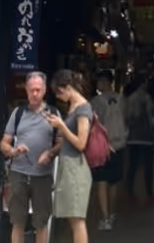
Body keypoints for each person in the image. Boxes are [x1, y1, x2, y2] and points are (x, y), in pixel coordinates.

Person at [0, 71, 60, 243]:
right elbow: (3, 143)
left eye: (38, 90)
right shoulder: (18, 113)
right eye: (31, 90)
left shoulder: (53, 113)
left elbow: (61, 142)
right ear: (26, 90)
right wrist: (13, 151)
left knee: (41, 222)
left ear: (44, 90)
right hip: (18, 173)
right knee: (17, 221)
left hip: (42, 175)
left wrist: (50, 153)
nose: (35, 94)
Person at [45, 70, 93, 243]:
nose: (59, 97)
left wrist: (61, 126)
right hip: (68, 165)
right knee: (72, 218)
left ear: (68, 88)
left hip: (76, 167)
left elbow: (81, 143)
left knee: (77, 219)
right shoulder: (74, 107)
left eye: (59, 92)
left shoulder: (83, 108)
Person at [91, 70, 127, 231]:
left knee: (101, 182)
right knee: (113, 183)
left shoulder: (96, 102)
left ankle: (105, 219)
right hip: (119, 146)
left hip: (102, 147)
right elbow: (127, 120)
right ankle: (112, 214)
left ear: (103, 82)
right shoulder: (122, 99)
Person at [124, 76, 154, 206]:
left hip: (133, 137)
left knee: (132, 166)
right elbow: (151, 118)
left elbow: (126, 119)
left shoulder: (129, 99)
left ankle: (130, 192)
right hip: (147, 137)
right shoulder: (148, 99)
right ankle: (149, 194)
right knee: (148, 167)